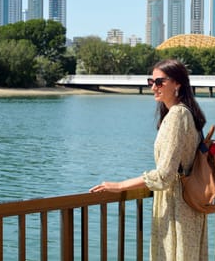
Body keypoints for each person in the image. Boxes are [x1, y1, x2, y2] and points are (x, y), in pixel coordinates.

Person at [89, 59, 208, 260]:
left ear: (177, 83)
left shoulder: (177, 115)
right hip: (190, 203)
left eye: (159, 82)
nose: (154, 87)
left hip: (177, 205)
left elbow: (164, 175)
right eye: (151, 82)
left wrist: (120, 185)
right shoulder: (184, 113)